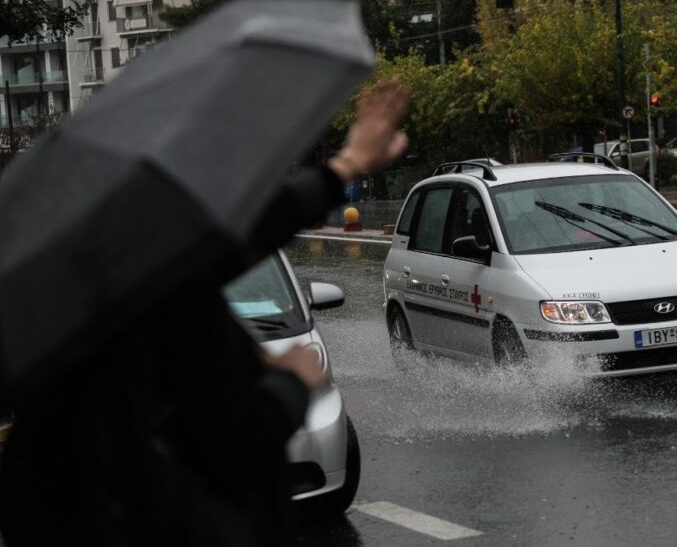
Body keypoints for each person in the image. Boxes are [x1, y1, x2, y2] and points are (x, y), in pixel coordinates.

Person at [0, 79, 410, 547]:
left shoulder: (45, 302)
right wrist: (292, 382)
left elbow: (237, 237)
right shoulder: (169, 301)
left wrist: (341, 170)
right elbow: (238, 438)